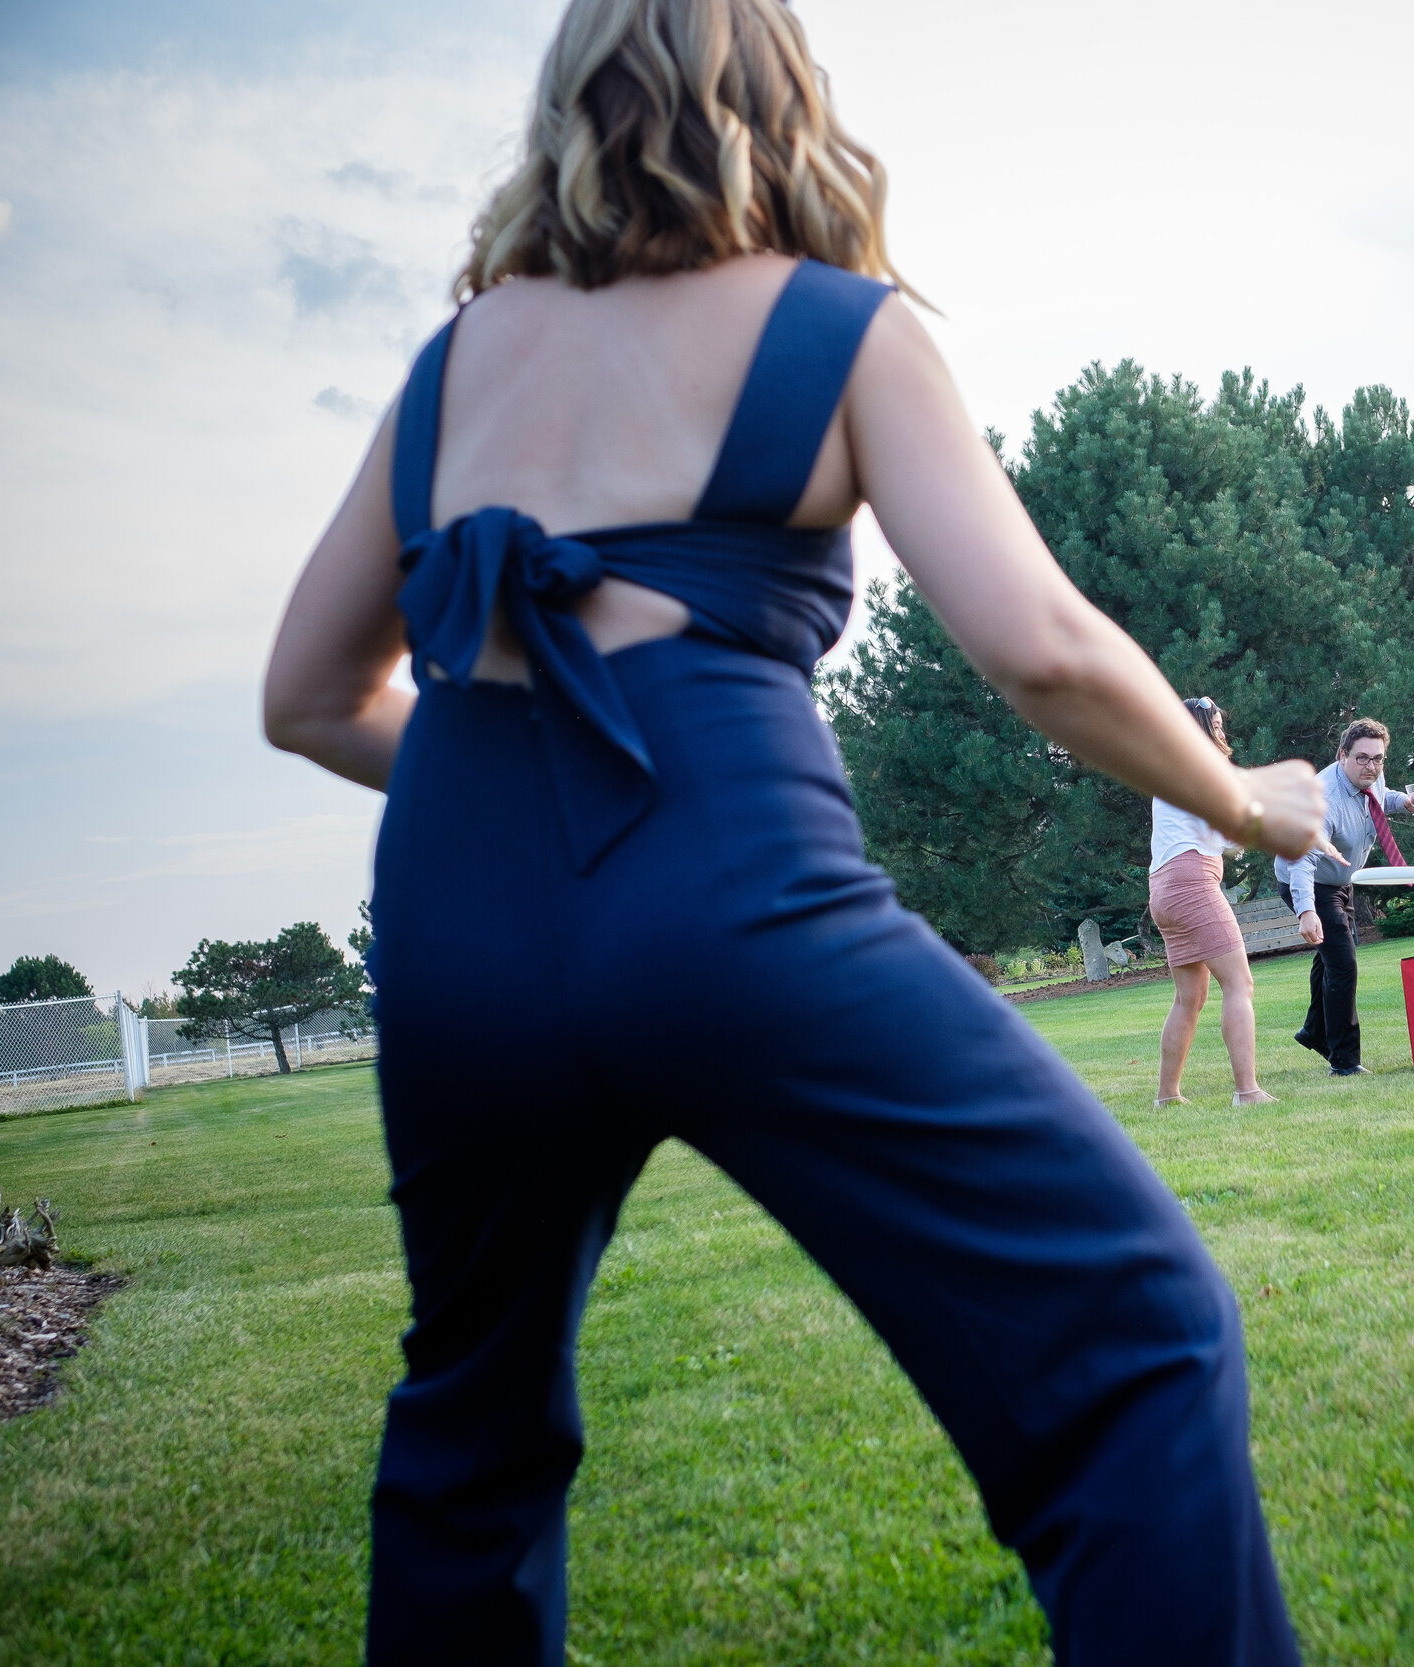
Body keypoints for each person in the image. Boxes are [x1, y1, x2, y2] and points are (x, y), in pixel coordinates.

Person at [260, 2, 1326, 1659]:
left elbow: (312, 697)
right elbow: (1040, 645)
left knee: (471, 1430)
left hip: (457, 914)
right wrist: (1253, 803)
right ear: (778, 101)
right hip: (730, 888)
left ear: (564, 112)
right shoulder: (840, 327)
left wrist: (528, 804)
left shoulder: (450, 368)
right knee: (1135, 1333)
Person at [1276, 719, 1414, 1077]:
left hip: (1340, 879)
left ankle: (1314, 1030)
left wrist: (1404, 802)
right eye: (1362, 758)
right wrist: (1306, 912)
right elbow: (1302, 860)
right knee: (1343, 963)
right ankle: (1344, 1061)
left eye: (1378, 759)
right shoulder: (1323, 800)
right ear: (1342, 756)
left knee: (1331, 957)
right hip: (1308, 879)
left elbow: (1380, 799)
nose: (1371, 767)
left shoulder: (1371, 779)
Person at [1148, 698, 1280, 1109]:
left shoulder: (1171, 768)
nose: (1223, 734)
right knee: (1240, 983)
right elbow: (1230, 835)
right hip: (1192, 881)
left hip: (1162, 889)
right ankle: (1247, 1091)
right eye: (1217, 726)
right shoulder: (1202, 766)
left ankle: (1167, 1097)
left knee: (1190, 998)